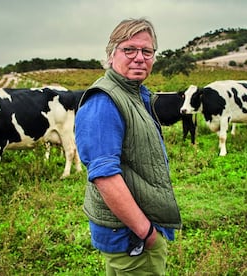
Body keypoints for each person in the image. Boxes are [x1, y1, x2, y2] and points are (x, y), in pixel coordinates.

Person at [75, 18, 182, 275]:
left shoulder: (133, 94)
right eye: (129, 49)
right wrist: (146, 233)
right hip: (131, 237)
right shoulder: (105, 101)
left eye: (147, 51)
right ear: (111, 55)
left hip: (131, 232)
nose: (139, 58)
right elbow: (105, 177)